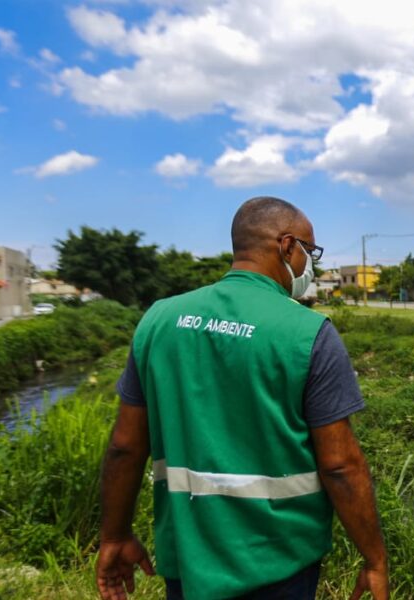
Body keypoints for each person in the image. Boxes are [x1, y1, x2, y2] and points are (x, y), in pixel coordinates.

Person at [96, 197, 389, 600]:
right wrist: (374, 560)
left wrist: (114, 535)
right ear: (287, 247)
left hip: (187, 562)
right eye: (310, 252)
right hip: (279, 565)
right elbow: (340, 465)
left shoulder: (158, 320)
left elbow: (125, 448)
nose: (310, 265)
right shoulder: (309, 333)